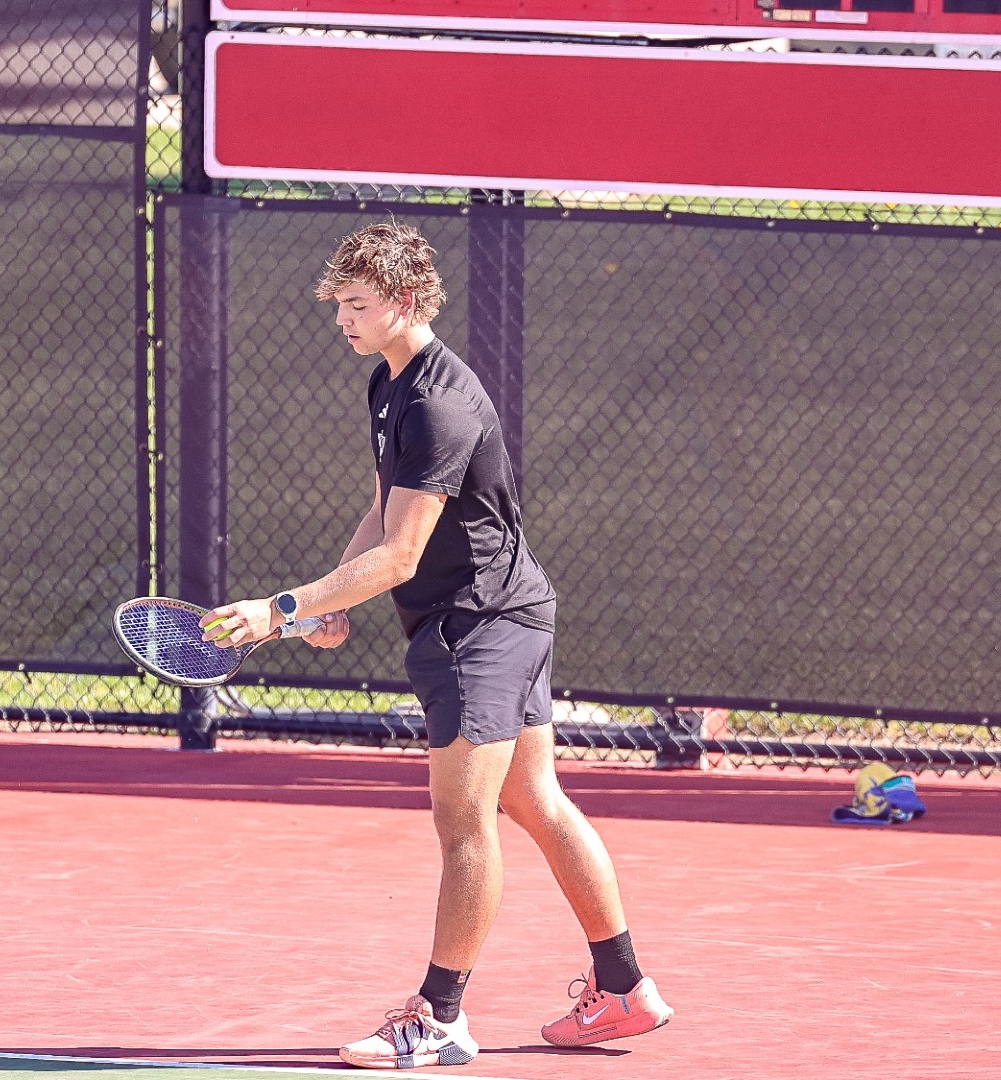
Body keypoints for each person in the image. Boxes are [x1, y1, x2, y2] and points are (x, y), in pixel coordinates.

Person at [200, 222, 672, 1070]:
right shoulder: (390, 384)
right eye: (338, 303)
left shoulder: (437, 403)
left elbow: (406, 555)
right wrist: (326, 603)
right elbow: (385, 513)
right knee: (533, 799)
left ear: (406, 303)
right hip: (505, 613)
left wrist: (278, 608)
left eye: (359, 305)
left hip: (479, 626)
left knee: (463, 821)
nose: (343, 319)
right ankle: (627, 989)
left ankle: (442, 1018)